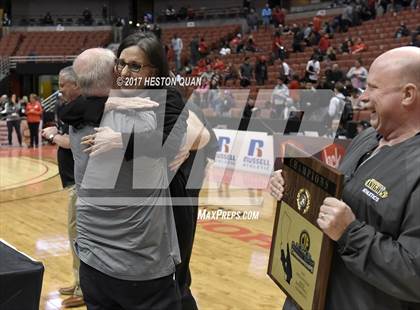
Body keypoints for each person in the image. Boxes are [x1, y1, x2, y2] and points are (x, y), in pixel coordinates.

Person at [269, 46, 420, 310]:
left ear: (408, 94)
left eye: (373, 88)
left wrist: (350, 233)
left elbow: (414, 273)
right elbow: (333, 201)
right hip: (308, 295)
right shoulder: (365, 138)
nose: (363, 96)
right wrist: (289, 188)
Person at [60, 47, 184, 310]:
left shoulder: (77, 118)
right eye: (121, 66)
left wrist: (111, 100)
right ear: (115, 75)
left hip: (93, 261)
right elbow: (175, 118)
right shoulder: (143, 114)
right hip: (138, 266)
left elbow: (71, 107)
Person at [42, 67, 84, 308]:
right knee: (74, 234)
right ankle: (78, 281)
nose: (59, 90)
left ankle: (83, 287)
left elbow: (74, 143)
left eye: (62, 85)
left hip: (81, 182)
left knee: (78, 235)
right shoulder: (70, 109)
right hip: (74, 181)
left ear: (76, 85)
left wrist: (53, 136)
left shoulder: (83, 110)